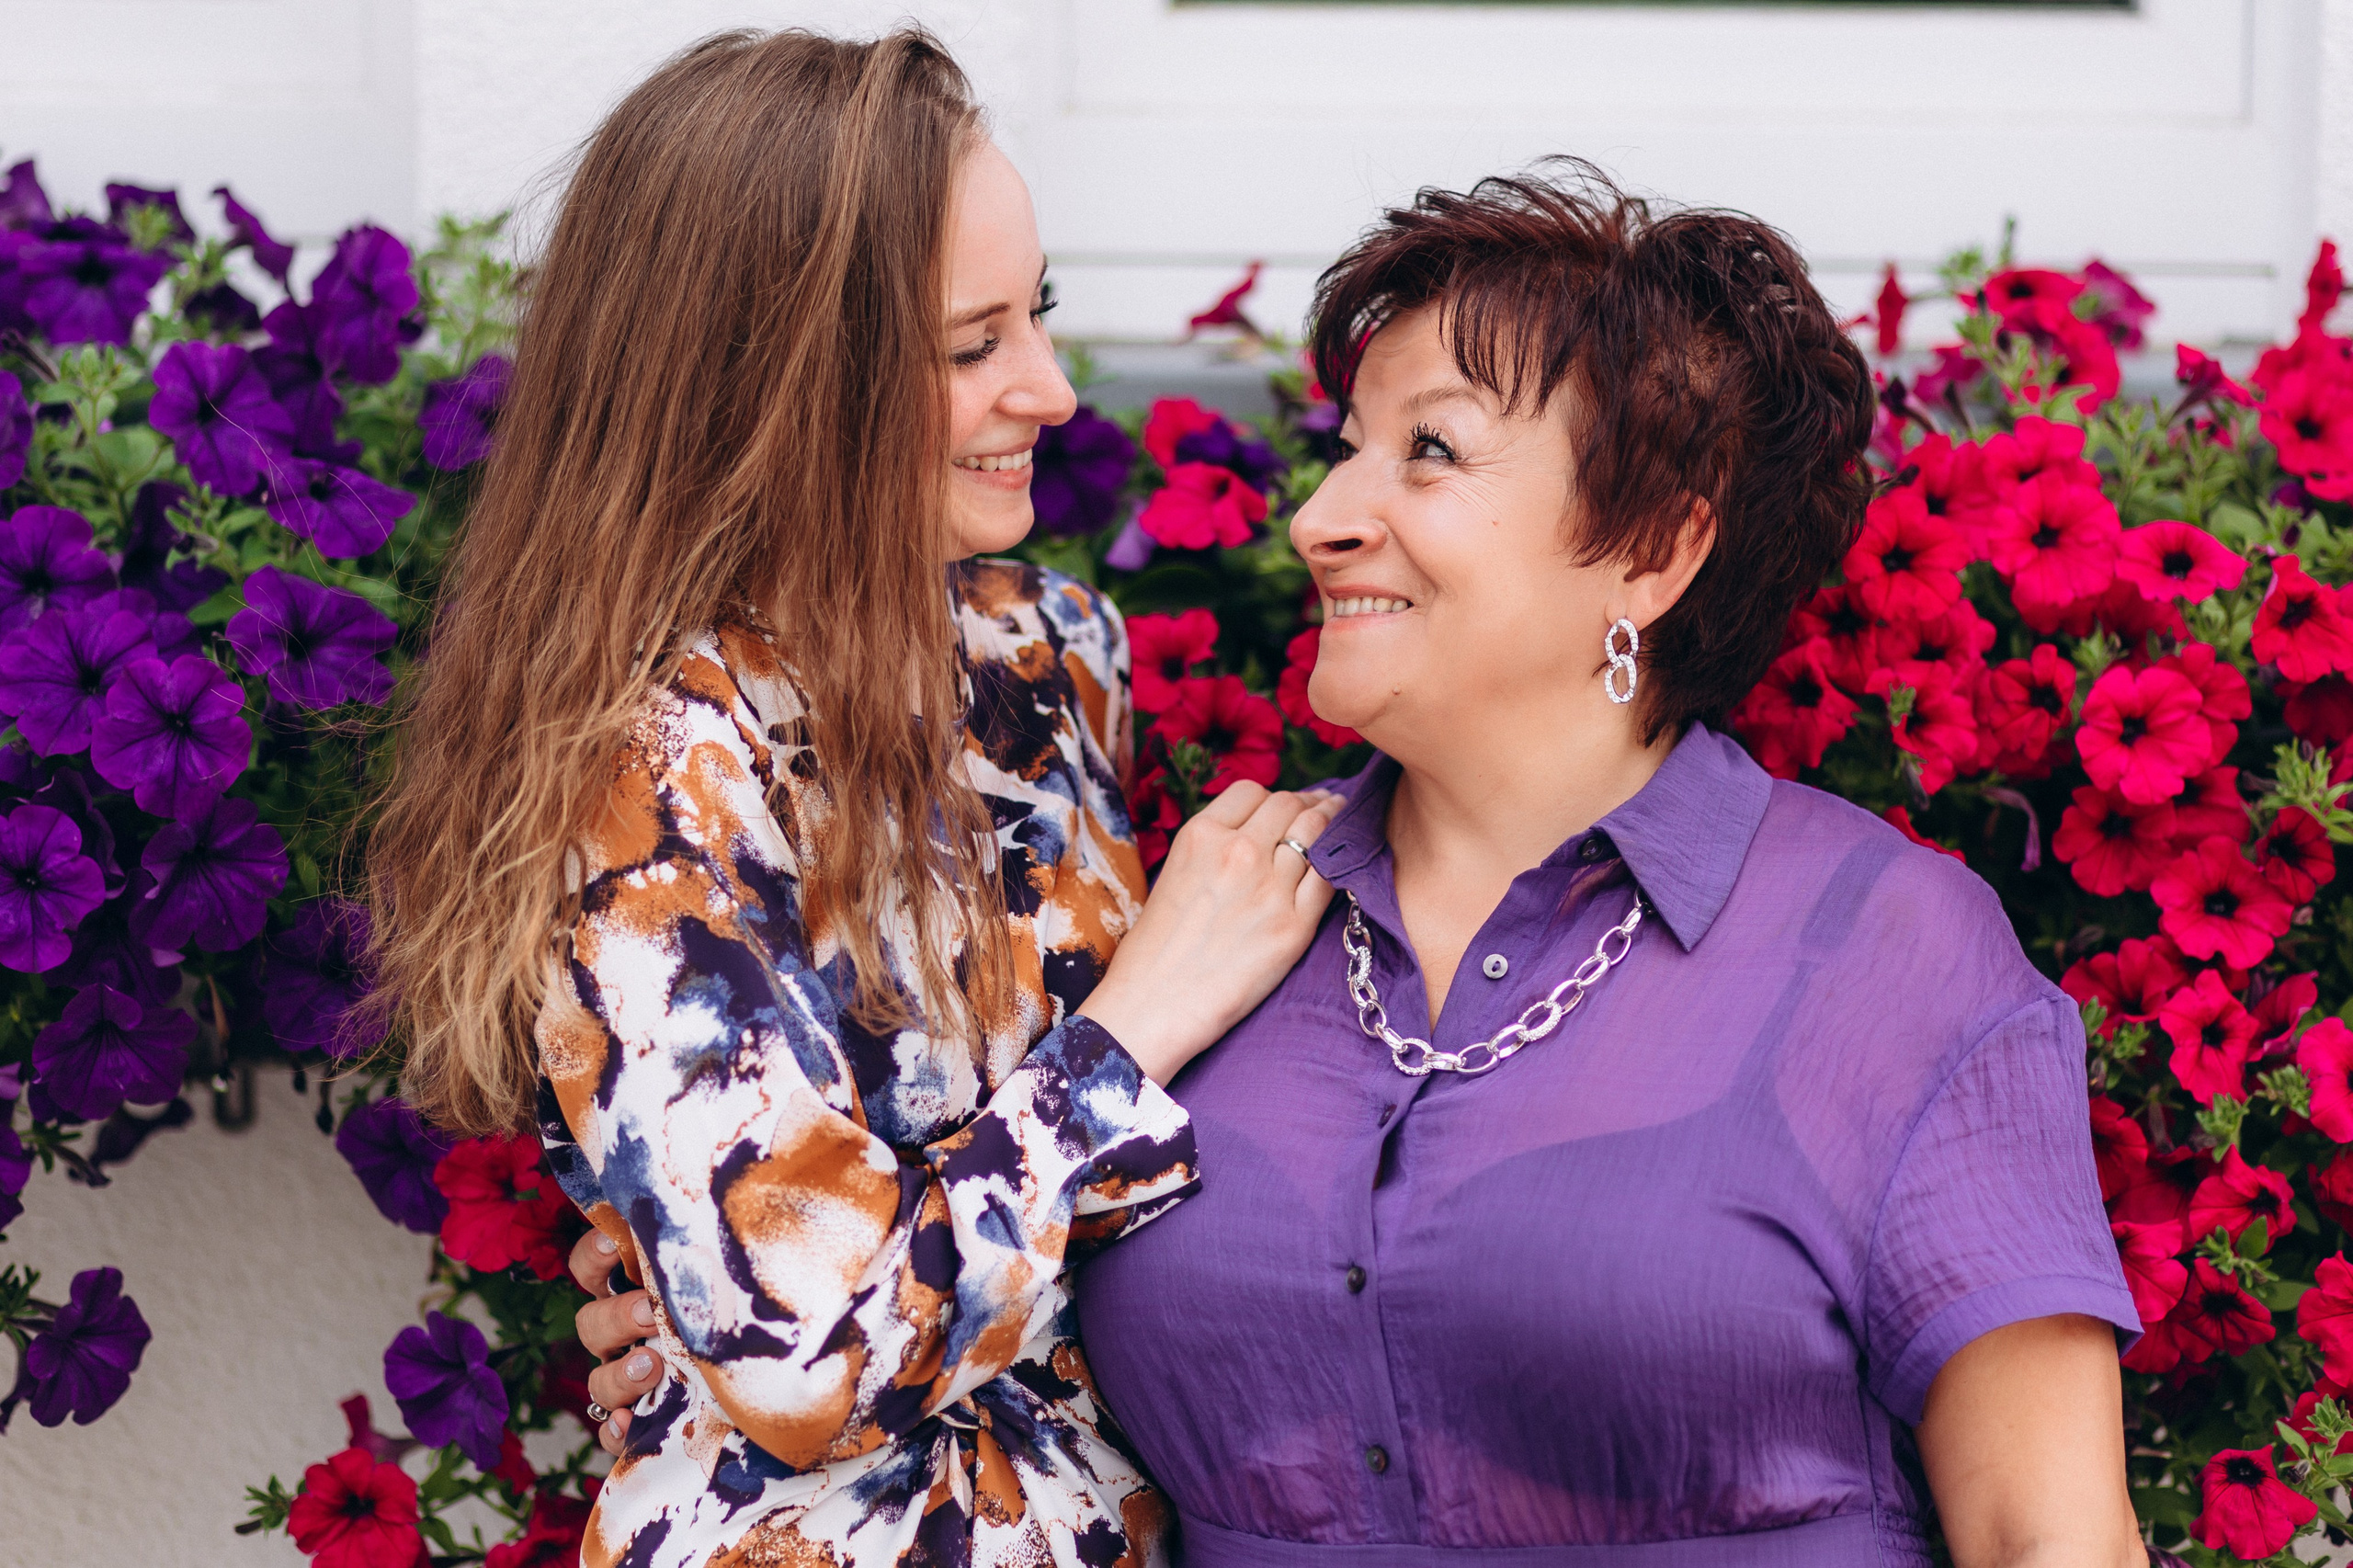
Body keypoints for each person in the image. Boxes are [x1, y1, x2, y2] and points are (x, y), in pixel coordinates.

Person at [1070, 169, 2148, 1566]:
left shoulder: (1889, 954)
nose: (1322, 516)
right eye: (1348, 447)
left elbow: (2047, 1539)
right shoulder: (1217, 920)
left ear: (1653, 547)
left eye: (1432, 452)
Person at [369, 28, 1339, 1568]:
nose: (1056, 389)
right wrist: (1135, 1029)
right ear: (771, 377)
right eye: (972, 347)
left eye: (1043, 317)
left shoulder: (1051, 656)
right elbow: (810, 1349)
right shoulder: (658, 761)